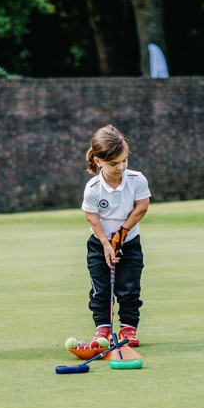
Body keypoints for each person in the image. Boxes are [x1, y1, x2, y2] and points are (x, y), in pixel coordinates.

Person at [81, 125, 151, 347]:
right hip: (99, 245)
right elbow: (92, 218)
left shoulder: (136, 180)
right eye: (113, 163)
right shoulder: (93, 188)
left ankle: (128, 330)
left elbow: (141, 207)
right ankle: (102, 330)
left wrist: (122, 233)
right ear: (99, 161)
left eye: (124, 160)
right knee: (101, 288)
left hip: (129, 244)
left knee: (129, 286)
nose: (121, 167)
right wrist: (106, 244)